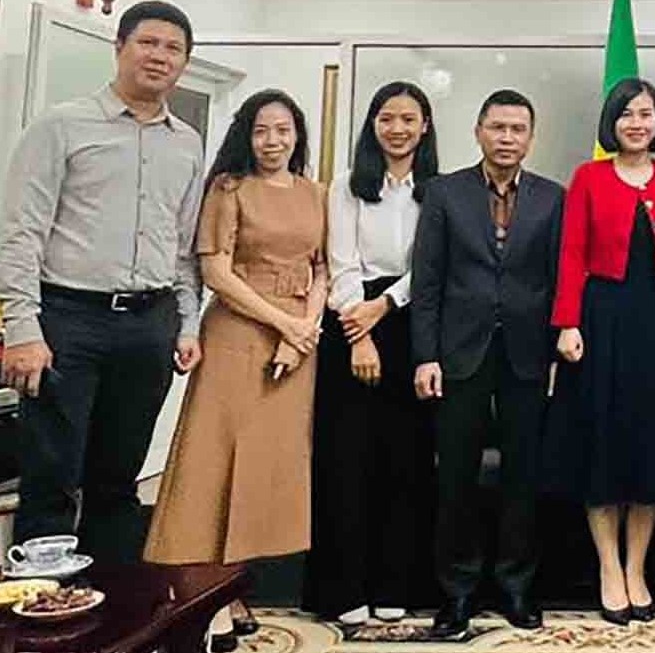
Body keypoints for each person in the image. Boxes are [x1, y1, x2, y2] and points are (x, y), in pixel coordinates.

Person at [0, 0, 204, 565]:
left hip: (151, 323)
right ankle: (43, 601)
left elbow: (183, 248)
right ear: (119, 48)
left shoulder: (187, 143)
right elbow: (22, 233)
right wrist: (22, 327)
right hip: (69, 319)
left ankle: (111, 602)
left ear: (184, 63)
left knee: (120, 476)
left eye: (173, 48)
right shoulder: (61, 125)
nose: (159, 56)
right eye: (148, 42)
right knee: (52, 473)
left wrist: (187, 323)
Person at [144, 89, 326, 646]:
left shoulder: (315, 192)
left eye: (283, 130)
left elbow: (323, 268)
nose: (273, 141)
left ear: (297, 135)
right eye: (261, 130)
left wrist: (303, 331)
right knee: (214, 462)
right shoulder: (228, 189)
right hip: (238, 333)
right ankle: (203, 594)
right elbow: (217, 274)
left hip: (296, 343)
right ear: (247, 135)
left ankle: (235, 586)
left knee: (265, 470)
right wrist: (284, 324)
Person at [411, 89, 564, 638]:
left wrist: (556, 350)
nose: (506, 138)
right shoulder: (444, 193)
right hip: (459, 353)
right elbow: (427, 282)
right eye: (497, 127)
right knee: (456, 475)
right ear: (478, 131)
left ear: (530, 137)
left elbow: (559, 282)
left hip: (528, 354)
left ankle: (516, 585)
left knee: (524, 475)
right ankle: (457, 591)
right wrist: (425, 356)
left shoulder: (552, 197)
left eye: (517, 129)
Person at [545, 78, 655, 626]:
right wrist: (566, 323)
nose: (637, 123)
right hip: (600, 321)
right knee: (604, 444)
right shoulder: (588, 177)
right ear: (612, 122)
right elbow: (571, 253)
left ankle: (637, 569)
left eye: (646, 113)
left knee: (651, 446)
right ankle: (609, 567)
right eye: (627, 113)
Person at [304, 82, 440, 627]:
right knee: (347, 461)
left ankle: (395, 583)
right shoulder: (346, 185)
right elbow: (340, 262)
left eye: (408, 119)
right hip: (350, 320)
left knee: (405, 461)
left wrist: (386, 306)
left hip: (412, 322)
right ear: (373, 124)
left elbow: (430, 265)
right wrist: (359, 334)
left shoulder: (439, 190)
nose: (397, 129)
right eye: (387, 118)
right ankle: (343, 587)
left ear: (425, 126)